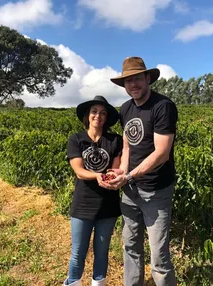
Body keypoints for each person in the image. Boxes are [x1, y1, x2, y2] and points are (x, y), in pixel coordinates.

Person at [108, 57, 178, 286]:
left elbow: (161, 153)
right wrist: (121, 173)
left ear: (148, 78)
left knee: (159, 255)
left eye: (137, 78)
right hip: (130, 191)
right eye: (128, 81)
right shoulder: (126, 109)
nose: (133, 84)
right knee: (130, 246)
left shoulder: (162, 106)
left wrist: (128, 176)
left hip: (156, 191)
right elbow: (127, 146)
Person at [64, 95, 122, 286]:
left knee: (102, 250)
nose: (98, 115)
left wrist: (112, 176)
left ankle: (98, 282)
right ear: (88, 116)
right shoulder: (77, 139)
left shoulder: (115, 140)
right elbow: (79, 171)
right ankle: (73, 282)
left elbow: (115, 167)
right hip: (83, 204)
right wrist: (98, 175)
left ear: (106, 118)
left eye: (103, 113)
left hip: (108, 205)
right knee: (78, 251)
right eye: (94, 112)